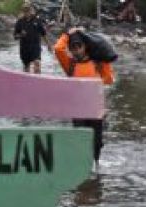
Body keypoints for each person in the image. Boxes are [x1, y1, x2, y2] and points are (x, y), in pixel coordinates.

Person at [55, 27, 115, 165]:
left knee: (96, 143)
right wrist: (66, 34)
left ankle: (96, 167)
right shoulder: (70, 64)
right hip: (78, 110)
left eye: (79, 47)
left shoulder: (98, 63)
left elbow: (108, 80)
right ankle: (82, 168)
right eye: (73, 48)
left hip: (95, 110)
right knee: (80, 141)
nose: (76, 51)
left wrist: (104, 61)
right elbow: (58, 49)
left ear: (85, 47)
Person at [13, 3, 50, 74]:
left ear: (31, 10)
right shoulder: (19, 22)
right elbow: (15, 36)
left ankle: (38, 80)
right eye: (25, 10)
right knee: (26, 67)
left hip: (35, 47)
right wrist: (21, 35)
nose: (26, 12)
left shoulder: (37, 20)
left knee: (37, 63)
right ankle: (26, 82)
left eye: (28, 10)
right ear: (23, 11)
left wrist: (49, 45)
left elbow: (43, 33)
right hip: (24, 48)